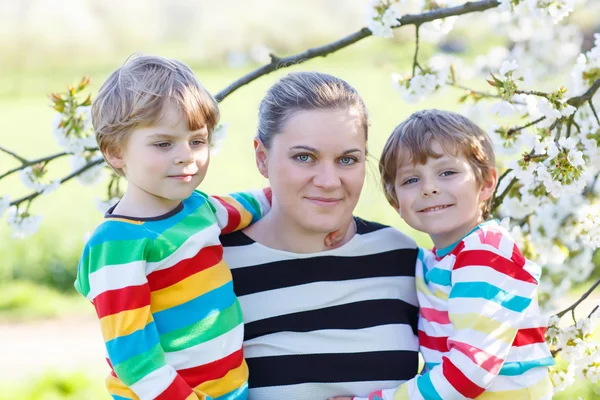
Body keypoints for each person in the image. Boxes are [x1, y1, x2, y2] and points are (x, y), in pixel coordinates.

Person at [74, 54, 272, 400]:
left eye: (197, 141)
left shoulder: (198, 208)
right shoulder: (119, 245)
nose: (186, 156)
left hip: (230, 389)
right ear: (115, 151)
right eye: (163, 143)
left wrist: (295, 196)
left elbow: (248, 205)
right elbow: (133, 357)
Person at [219, 72, 421, 400]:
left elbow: (468, 369)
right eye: (305, 157)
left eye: (347, 160)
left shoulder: (399, 255)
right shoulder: (213, 266)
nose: (329, 181)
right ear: (261, 157)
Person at [332, 109, 555, 400]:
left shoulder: (485, 256)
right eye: (411, 180)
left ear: (486, 183)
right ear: (395, 201)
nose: (429, 188)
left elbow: (469, 372)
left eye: (447, 172)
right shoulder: (440, 260)